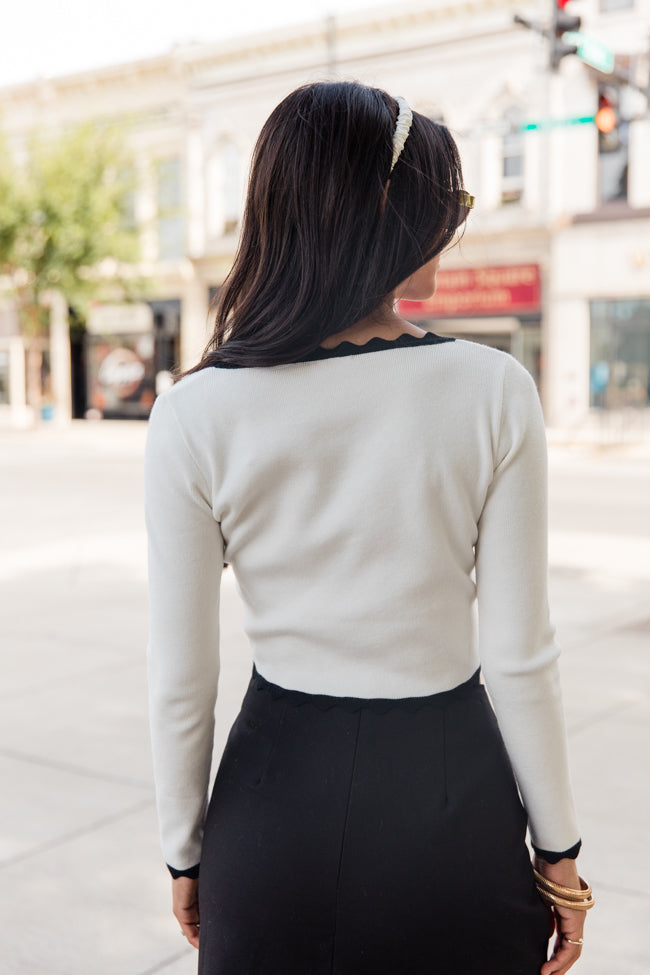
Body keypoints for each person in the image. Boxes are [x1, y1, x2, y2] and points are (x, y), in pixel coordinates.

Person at [144, 81, 592, 975]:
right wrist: (561, 853)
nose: (453, 227)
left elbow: (182, 679)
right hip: (449, 799)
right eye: (448, 204)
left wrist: (184, 847)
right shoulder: (492, 389)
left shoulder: (194, 412)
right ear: (387, 208)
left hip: (271, 807)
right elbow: (518, 654)